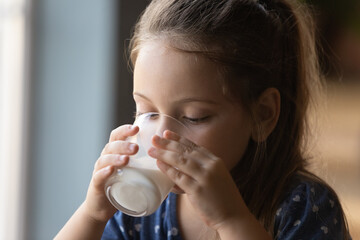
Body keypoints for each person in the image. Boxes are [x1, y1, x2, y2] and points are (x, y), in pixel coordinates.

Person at [55, 0, 352, 239]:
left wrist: (231, 220)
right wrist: (92, 215)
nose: (161, 136)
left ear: (263, 114)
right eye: (147, 112)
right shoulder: (140, 215)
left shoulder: (304, 207)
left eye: (194, 117)